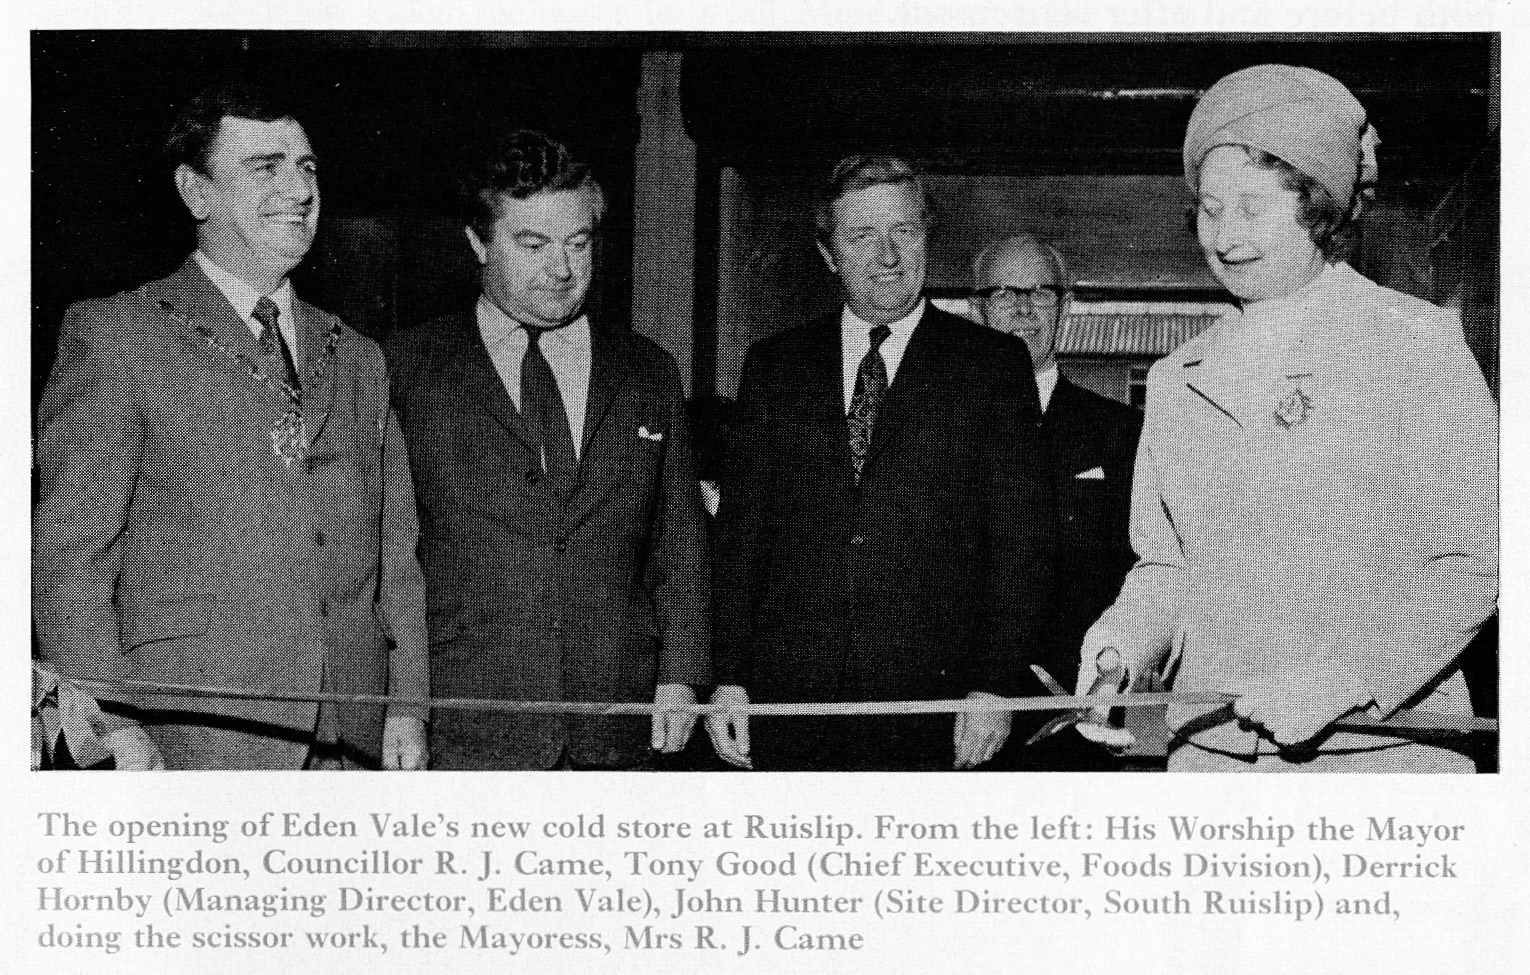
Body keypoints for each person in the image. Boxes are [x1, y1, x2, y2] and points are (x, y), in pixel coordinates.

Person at [1075, 65, 1497, 772]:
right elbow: (1167, 565)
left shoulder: (1414, 346)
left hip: (1379, 753)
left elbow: (1474, 559)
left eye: (1251, 207)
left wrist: (1344, 678)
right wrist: (1120, 647)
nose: (1225, 235)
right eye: (1210, 209)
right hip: (1210, 755)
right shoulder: (1178, 380)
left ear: (1315, 207)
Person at [33, 82, 429, 770]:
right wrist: (111, 726)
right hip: (190, 737)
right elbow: (72, 555)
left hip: (354, 737)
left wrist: (408, 705)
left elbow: (397, 553)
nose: (299, 190)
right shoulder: (118, 335)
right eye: (265, 168)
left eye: (307, 167)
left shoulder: (360, 356)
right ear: (196, 192)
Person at [709, 155, 1055, 771]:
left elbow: (1021, 540)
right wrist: (728, 677)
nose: (887, 255)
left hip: (936, 710)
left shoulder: (992, 366)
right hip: (790, 701)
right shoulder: (774, 367)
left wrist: (995, 684)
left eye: (903, 231)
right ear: (829, 254)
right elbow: (742, 536)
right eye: (863, 235)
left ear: (927, 237)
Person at [388, 130, 709, 770]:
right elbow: (390, 555)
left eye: (578, 243)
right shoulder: (406, 369)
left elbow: (679, 535)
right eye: (533, 246)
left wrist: (682, 671)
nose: (562, 269)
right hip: (469, 725)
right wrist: (404, 707)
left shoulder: (647, 370)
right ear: (479, 242)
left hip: (619, 725)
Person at [973, 234, 1142, 770]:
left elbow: (1146, 570)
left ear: (1066, 307)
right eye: (1004, 293)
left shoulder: (1120, 433)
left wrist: (1109, 679)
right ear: (977, 308)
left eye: (1040, 293)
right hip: (963, 715)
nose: (1023, 309)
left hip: (1077, 717)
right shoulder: (938, 430)